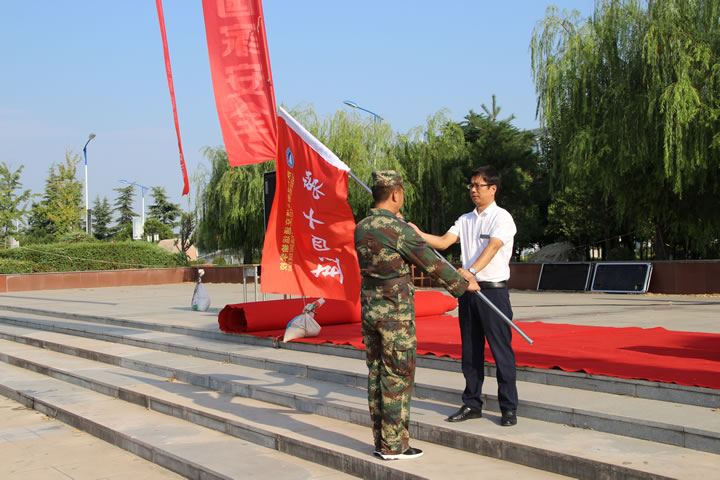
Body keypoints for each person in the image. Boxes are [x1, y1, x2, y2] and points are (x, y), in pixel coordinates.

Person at [354, 170, 481, 460]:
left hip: (370, 308)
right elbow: (430, 263)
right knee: (397, 375)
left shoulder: (361, 226)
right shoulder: (398, 229)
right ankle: (394, 446)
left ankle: (381, 441)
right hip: (395, 314)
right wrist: (463, 284)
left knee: (376, 374)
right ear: (396, 194)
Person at [409, 165, 519, 427]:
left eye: (478, 185)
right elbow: (444, 242)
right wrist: (417, 233)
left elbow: (493, 247)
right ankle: (472, 403)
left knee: (501, 351)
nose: (473, 190)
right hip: (468, 293)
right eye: (471, 185)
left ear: (493, 189)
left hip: (492, 292)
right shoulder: (465, 219)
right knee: (470, 352)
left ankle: (508, 407)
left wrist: (470, 271)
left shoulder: (502, 218)